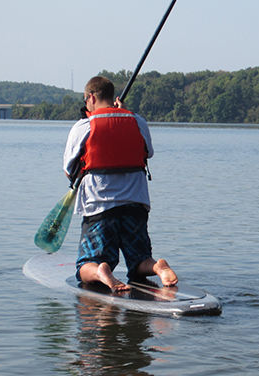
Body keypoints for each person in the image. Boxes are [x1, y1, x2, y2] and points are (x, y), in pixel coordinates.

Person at [63, 76, 177, 291]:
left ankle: (99, 271)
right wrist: (124, 114)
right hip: (136, 201)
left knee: (85, 266)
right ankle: (157, 267)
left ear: (92, 97)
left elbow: (69, 170)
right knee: (139, 260)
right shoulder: (137, 121)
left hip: (100, 205)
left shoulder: (83, 126)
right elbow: (149, 153)